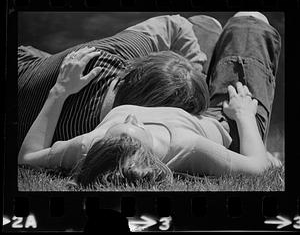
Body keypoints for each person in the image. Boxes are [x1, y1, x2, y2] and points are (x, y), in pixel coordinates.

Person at [18, 12, 282, 187]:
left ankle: (201, 59)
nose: (133, 116)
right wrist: (244, 116)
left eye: (113, 130)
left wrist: (60, 92)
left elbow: (28, 157)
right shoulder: (189, 146)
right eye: (140, 126)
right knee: (249, 20)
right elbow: (256, 168)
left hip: (172, 96)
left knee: (202, 24)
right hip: (225, 117)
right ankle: (205, 59)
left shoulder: (90, 145)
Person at [18, 14, 209, 150]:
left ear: (135, 67)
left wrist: (193, 69)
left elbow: (176, 23)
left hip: (27, 67)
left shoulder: (111, 54)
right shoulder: (97, 137)